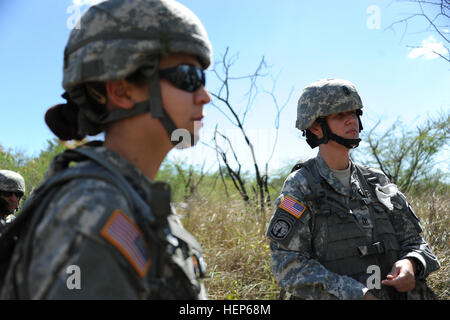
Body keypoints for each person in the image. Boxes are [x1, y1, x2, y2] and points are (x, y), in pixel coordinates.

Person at [0, 0, 212, 299]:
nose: (205, 96)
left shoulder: (132, 197)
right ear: (121, 90)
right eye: (190, 77)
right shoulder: (92, 211)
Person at [266, 78, 440, 300]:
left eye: (355, 113)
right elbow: (287, 265)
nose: (352, 121)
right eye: (340, 115)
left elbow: (414, 242)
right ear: (316, 127)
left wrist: (411, 263)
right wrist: (356, 294)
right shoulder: (300, 185)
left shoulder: (377, 181)